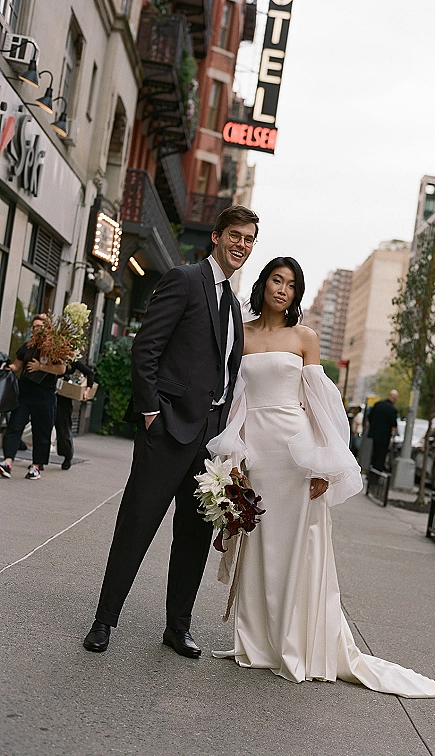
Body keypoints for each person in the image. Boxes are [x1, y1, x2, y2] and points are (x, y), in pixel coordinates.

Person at [207, 258, 435, 698]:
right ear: (263, 285)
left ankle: (295, 641)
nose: (282, 289)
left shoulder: (305, 337)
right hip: (257, 453)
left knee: (299, 547)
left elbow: (320, 402)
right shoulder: (241, 334)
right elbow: (236, 401)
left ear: (296, 294)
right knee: (260, 543)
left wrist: (324, 462)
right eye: (276, 281)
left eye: (291, 284)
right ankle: (257, 642)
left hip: (295, 452)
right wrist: (234, 454)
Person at [82, 204, 259, 657]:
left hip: (210, 441)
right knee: (136, 527)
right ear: (216, 237)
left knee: (193, 540)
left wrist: (223, 436)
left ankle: (177, 627)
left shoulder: (234, 306)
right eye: (235, 235)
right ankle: (104, 621)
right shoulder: (185, 279)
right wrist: (150, 414)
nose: (242, 245)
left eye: (249, 239)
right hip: (167, 431)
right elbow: (147, 349)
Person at [0, 314, 66, 480]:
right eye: (34, 326)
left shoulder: (54, 347)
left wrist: (41, 367)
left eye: (40, 327)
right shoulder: (27, 346)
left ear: (47, 328)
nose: (36, 329)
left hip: (44, 395)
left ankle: (36, 466)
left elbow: (61, 369)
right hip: (24, 392)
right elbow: (18, 365)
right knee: (15, 426)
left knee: (41, 431)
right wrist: (8, 367)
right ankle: (7, 462)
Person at [55, 359, 95, 470]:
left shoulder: (71, 360)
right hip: (48, 395)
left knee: (63, 429)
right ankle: (39, 461)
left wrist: (86, 391)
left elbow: (90, 373)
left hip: (63, 399)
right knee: (43, 428)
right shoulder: (49, 356)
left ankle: (67, 456)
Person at [367, 390, 399, 472]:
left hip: (375, 434)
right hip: (384, 436)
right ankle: (377, 472)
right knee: (381, 456)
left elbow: (370, 416)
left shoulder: (378, 405)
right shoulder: (392, 409)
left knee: (374, 453)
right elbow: (393, 424)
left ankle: (372, 471)